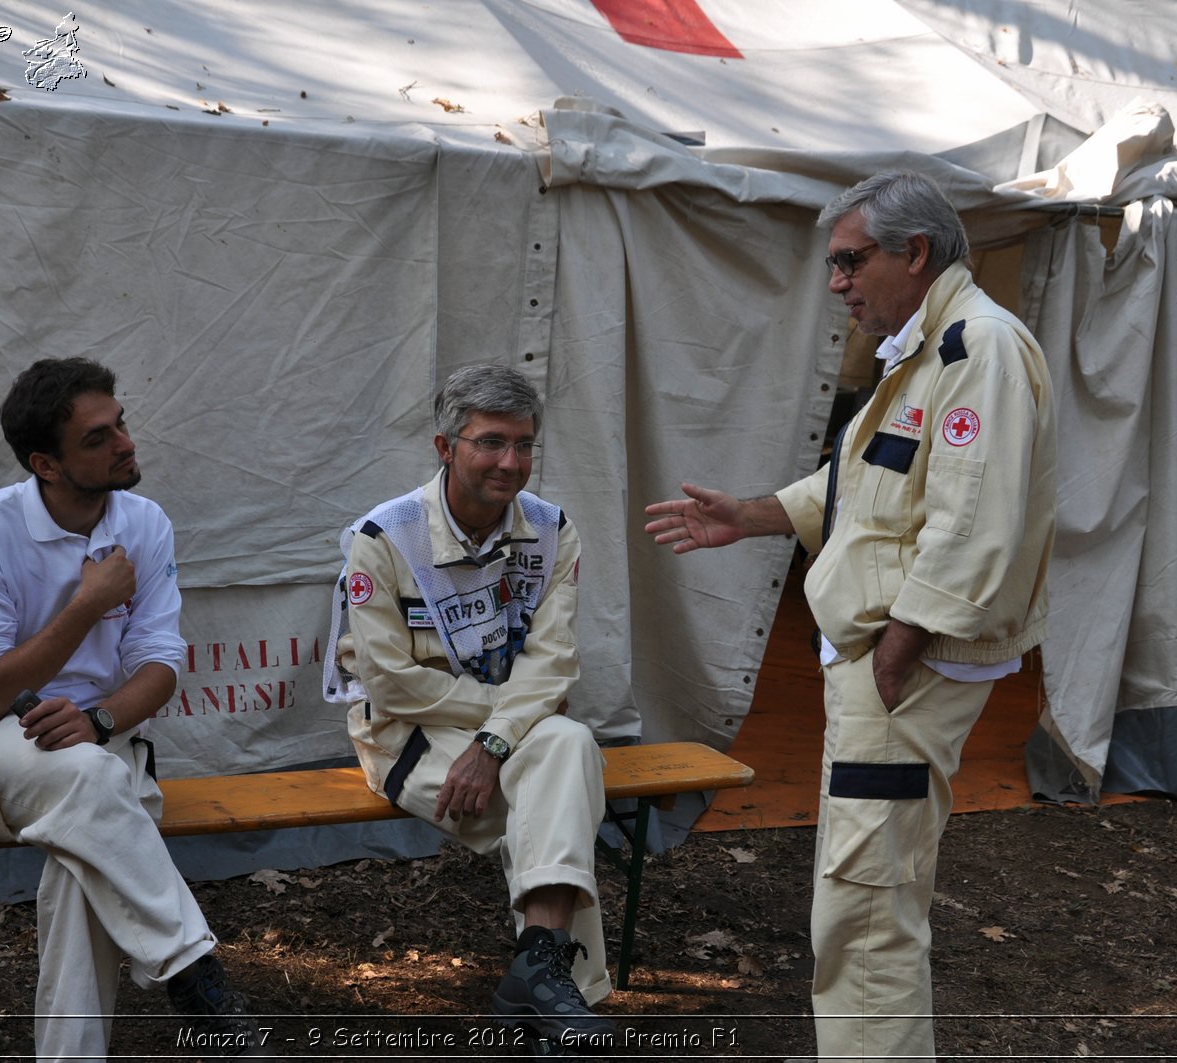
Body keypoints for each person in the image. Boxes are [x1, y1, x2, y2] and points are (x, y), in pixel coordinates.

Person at [645, 171, 1056, 1062]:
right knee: (858, 886)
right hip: (878, 658)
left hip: (902, 664)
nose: (836, 282)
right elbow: (871, 485)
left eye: (849, 261)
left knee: (867, 901)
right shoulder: (926, 346)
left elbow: (973, 519)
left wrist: (897, 649)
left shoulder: (975, 348)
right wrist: (751, 515)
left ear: (915, 253)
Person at [0, 357, 267, 1061]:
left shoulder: (143, 521)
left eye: (120, 425)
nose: (124, 444)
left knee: (83, 868)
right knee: (92, 781)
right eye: (97, 438)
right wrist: (85, 605)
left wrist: (101, 719)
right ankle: (195, 975)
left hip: (104, 747)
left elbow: (160, 664)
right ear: (45, 464)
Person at [323, 365, 616, 1049]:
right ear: (444, 445)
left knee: (568, 749)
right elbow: (393, 686)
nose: (510, 463)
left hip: (514, 735)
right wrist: (508, 717)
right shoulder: (385, 537)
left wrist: (492, 742)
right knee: (555, 806)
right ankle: (559, 1005)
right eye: (490, 442)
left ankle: (538, 986)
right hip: (406, 738)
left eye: (523, 444)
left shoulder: (552, 530)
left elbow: (555, 662)